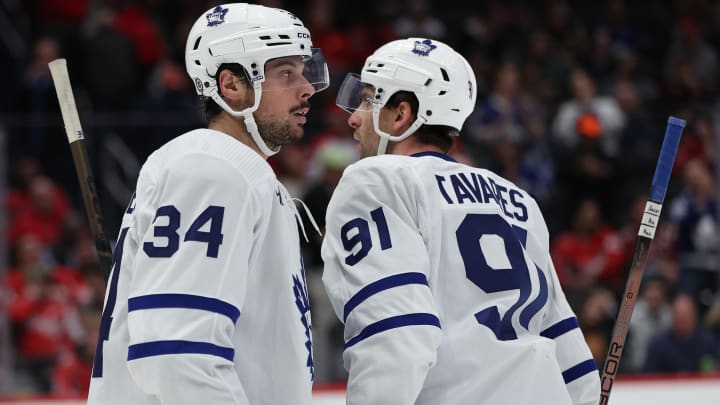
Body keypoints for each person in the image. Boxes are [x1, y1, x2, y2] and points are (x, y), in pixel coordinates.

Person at [321, 38, 600, 404]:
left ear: (402, 114)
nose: (354, 116)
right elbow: (569, 352)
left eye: (369, 98)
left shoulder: (377, 180)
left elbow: (398, 335)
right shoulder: (517, 200)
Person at [87, 4, 329, 404]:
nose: (307, 88)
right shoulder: (212, 168)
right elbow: (175, 351)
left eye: (305, 71)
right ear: (231, 85)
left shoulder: (236, 172)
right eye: (286, 72)